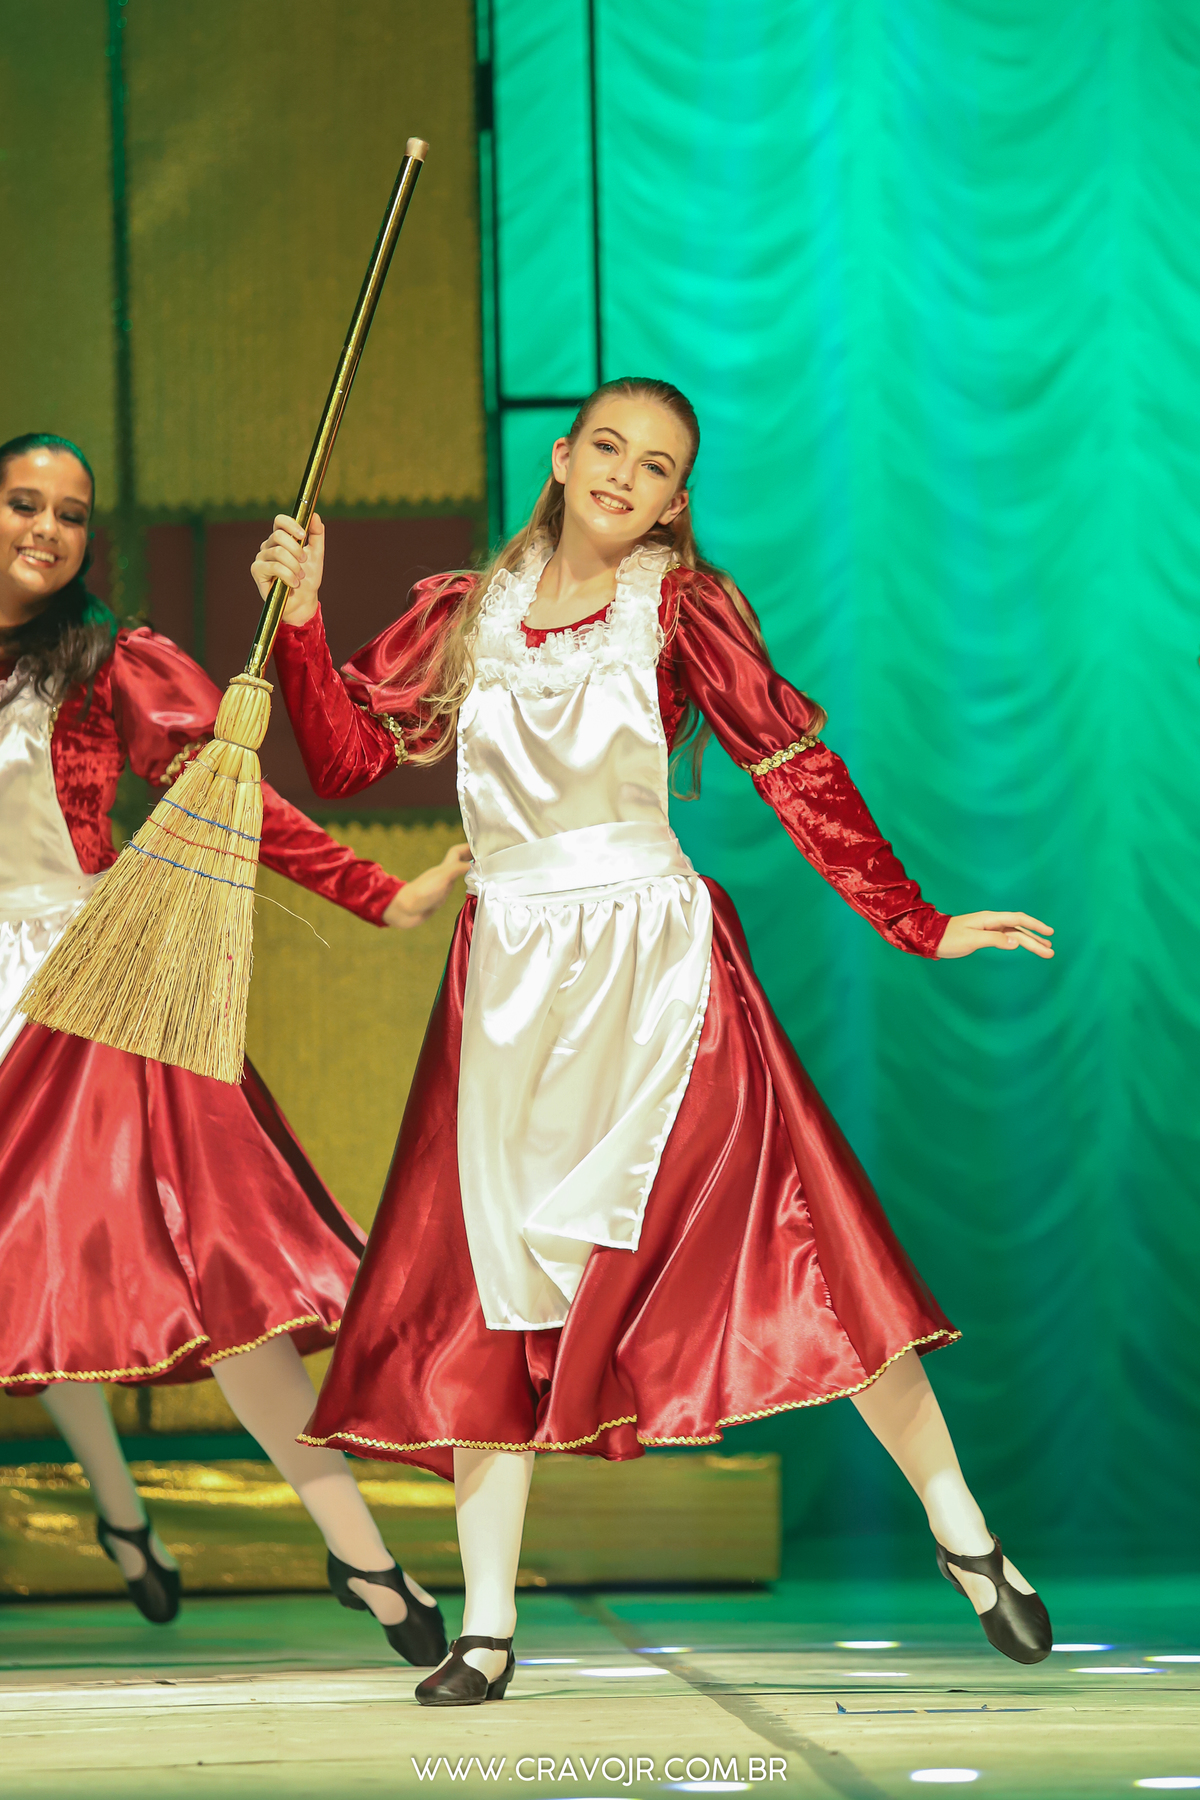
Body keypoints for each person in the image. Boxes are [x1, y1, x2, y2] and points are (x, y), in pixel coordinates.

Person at [255, 378, 1056, 1704]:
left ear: (677, 501)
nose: (625, 475)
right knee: (493, 1293)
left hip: (661, 968)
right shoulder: (461, 614)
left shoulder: (681, 609)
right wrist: (300, 620)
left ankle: (963, 1531)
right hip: (510, 982)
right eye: (608, 448)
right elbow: (343, 762)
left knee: (807, 1245)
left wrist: (916, 920)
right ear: (562, 458)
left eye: (658, 465)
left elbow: (794, 767)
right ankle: (488, 1628)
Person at [0, 432, 467, 1663]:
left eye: (70, 513)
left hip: (89, 994)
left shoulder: (110, 660)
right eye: (22, 503)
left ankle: (358, 1549)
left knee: (227, 1278)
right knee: (32, 1290)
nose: (46, 529)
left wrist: (380, 893)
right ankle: (120, 1509)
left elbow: (229, 791)